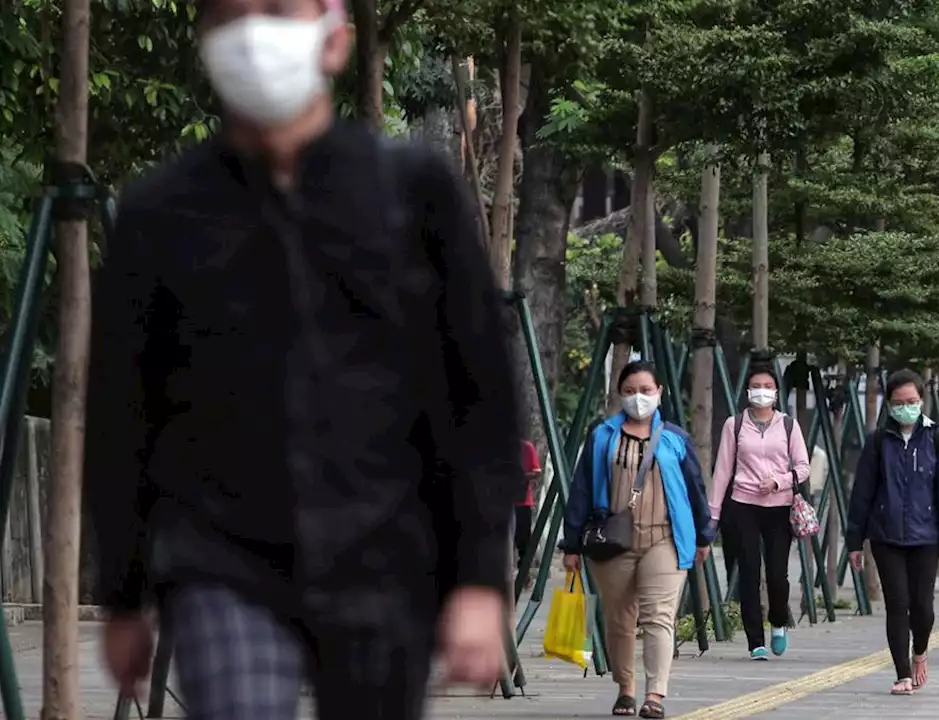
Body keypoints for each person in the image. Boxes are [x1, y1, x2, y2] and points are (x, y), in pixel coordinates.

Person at [83, 1, 523, 716]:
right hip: (220, 562)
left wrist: (479, 578)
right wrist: (123, 592)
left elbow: (477, 393)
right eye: (232, 14)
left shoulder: (413, 195)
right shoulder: (160, 214)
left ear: (336, 39)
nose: (256, 33)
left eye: (280, 9)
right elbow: (120, 412)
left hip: (383, 558)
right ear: (205, 40)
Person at [561, 361, 715, 719]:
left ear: (660, 392)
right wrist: (571, 544)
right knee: (619, 619)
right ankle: (626, 689)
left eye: (646, 390)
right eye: (630, 391)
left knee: (659, 617)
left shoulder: (675, 438)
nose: (638, 398)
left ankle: (655, 696)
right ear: (619, 394)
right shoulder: (601, 435)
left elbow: (695, 488)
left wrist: (703, 534)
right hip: (611, 541)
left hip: (665, 538)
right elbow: (581, 490)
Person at [846, 369, 939, 696]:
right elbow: (862, 494)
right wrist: (854, 541)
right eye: (898, 403)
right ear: (889, 405)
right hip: (886, 536)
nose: (905, 408)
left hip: (926, 537)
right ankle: (901, 674)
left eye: (911, 401)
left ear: (922, 401)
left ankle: (920, 652)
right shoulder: (878, 441)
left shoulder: (938, 439)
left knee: (922, 606)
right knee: (897, 603)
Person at [709, 364, 811, 660]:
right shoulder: (735, 424)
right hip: (744, 506)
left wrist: (780, 481)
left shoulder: (789, 425)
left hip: (779, 508)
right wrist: (713, 515)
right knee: (749, 573)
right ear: (748, 391)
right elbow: (722, 471)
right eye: (756, 385)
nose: (762, 391)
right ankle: (756, 642)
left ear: (776, 392)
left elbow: (802, 467)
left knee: (778, 574)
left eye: (768, 385)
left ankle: (778, 621)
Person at [514, 439, 543, 578]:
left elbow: (537, 471)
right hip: (501, 502)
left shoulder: (526, 446)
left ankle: (524, 575)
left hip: (522, 501)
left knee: (523, 541)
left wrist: (521, 476)